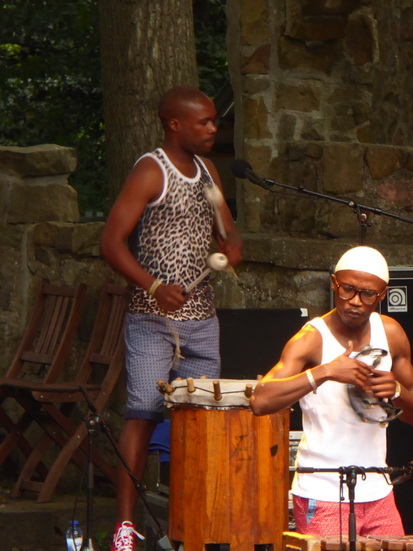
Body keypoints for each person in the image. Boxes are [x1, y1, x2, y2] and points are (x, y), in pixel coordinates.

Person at [99, 85, 243, 551]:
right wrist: (155, 287)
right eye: (203, 122)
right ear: (175, 125)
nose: (213, 128)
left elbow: (227, 230)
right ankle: (125, 525)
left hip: (202, 319)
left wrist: (230, 243)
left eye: (214, 120)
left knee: (200, 421)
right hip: (151, 318)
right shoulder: (150, 170)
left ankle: (189, 525)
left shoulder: (207, 170)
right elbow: (111, 243)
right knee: (142, 413)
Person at [250, 246, 413, 537]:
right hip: (323, 493)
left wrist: (396, 391)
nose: (355, 302)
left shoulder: (391, 333)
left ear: (382, 295)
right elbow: (260, 400)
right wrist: (326, 372)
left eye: (367, 294)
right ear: (334, 284)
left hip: (378, 491)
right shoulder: (311, 338)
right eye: (347, 290)